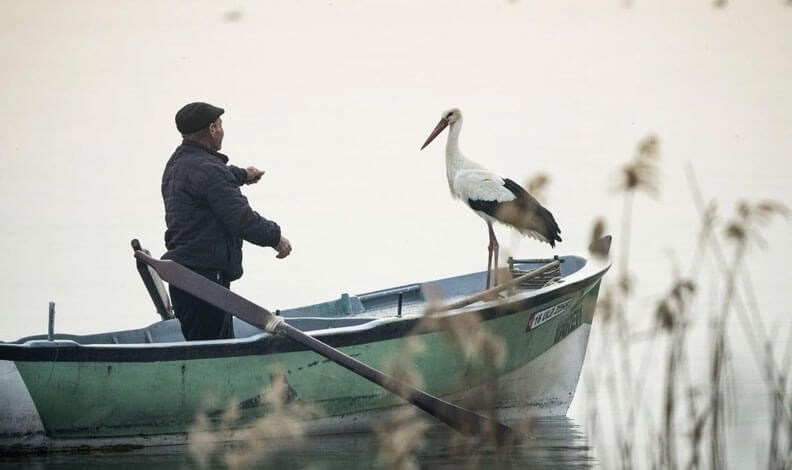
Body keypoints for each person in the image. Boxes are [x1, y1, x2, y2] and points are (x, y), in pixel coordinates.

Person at [161, 102, 292, 341]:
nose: (222, 130)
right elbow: (242, 220)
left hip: (185, 278)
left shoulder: (177, 164)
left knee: (202, 346)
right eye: (220, 125)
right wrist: (276, 238)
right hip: (206, 283)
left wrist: (243, 174)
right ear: (212, 129)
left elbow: (209, 177)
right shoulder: (210, 171)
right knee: (214, 350)